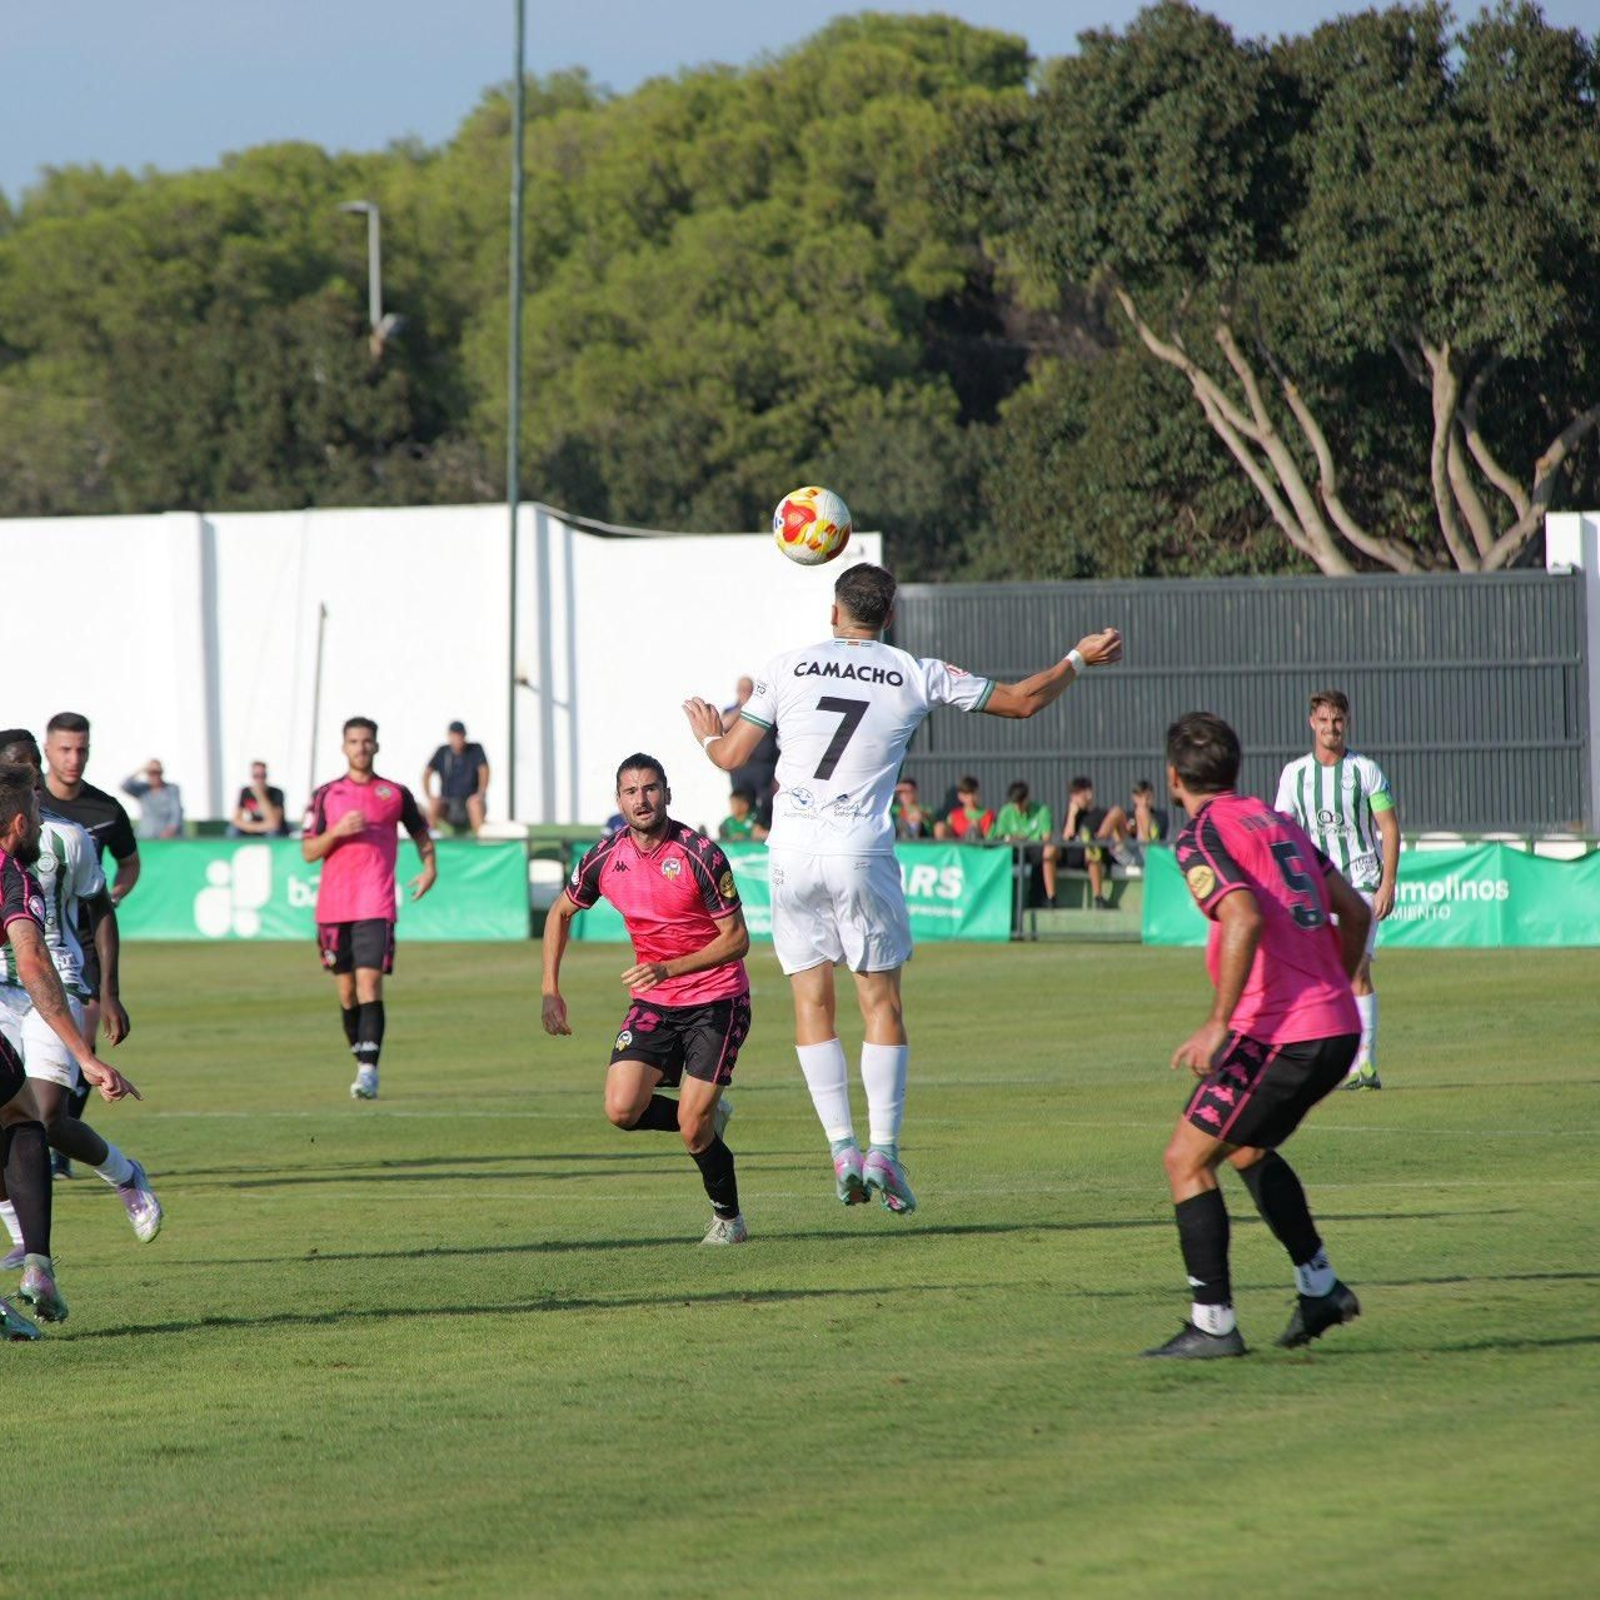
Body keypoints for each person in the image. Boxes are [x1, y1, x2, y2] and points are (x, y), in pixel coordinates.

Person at [684, 561, 1122, 1212]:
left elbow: (730, 758)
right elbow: (1025, 701)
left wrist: (706, 732)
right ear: (888, 618)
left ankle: (841, 1149)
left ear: (835, 613)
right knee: (879, 1002)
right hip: (859, 849)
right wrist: (1078, 659)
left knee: (812, 1000)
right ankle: (883, 1151)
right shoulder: (916, 671)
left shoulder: (786, 667)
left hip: (792, 852)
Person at [1143, 712, 1367, 1360]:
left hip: (1279, 1034)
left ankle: (1212, 1324)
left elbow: (1241, 917)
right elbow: (1351, 909)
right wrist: (1337, 977)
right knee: (1243, 1148)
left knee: (1185, 1161)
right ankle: (1320, 1287)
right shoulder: (1280, 821)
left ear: (1173, 777)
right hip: (1334, 1027)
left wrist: (1218, 1023)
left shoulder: (1201, 834)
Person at [542, 754, 751, 1245]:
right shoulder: (604, 856)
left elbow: (737, 940)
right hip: (655, 1001)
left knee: (693, 1131)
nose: (642, 799)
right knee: (621, 1110)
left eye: (651, 789)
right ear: (619, 800)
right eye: (632, 792)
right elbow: (560, 912)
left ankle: (730, 1220)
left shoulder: (701, 853)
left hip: (716, 1000)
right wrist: (550, 989)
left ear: (667, 794)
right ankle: (701, 1114)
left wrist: (668, 967)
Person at [0, 732, 161, 1269]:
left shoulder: (68, 838)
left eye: (31, 769)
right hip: (2, 991)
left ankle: (123, 1173)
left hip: (58, 978)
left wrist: (109, 990)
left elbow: (98, 910)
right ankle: (27, 1241)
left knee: (46, 1115)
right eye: (17, 772)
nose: (32, 781)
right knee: (8, 1116)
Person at [303, 717, 437, 1101]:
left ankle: (368, 1071)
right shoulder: (326, 795)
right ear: (344, 747)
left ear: (376, 746)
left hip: (375, 904)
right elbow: (309, 851)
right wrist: (337, 832)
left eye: (367, 741)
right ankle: (361, 1056)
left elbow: (421, 834)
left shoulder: (394, 793)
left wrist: (430, 868)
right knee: (346, 992)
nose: (361, 747)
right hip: (332, 907)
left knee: (368, 984)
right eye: (354, 741)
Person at [1273, 689, 1400, 1090]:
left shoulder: (1365, 771)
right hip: (1315, 887)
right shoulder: (1295, 775)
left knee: (1357, 968)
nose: (1331, 728)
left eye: (1338, 721)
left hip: (1360, 880)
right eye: (1324, 721)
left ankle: (1366, 1064)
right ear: (1313, 723)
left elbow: (1389, 828)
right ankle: (1326, 1057)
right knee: (1320, 975)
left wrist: (1388, 883)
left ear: (1347, 722)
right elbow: (1281, 832)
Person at [42, 711, 140, 1169]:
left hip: (82, 941)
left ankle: (59, 1136)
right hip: (28, 940)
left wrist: (115, 894)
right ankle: (48, 1131)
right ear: (47, 750)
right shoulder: (23, 803)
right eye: (65, 748)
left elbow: (130, 862)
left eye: (81, 749)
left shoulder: (106, 811)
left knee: (81, 1040)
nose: (73, 758)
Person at [722, 677, 780, 829]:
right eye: (742, 690)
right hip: (740, 768)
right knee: (742, 803)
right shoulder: (732, 711)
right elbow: (723, 724)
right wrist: (744, 707)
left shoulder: (765, 709)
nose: (745, 693)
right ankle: (742, 833)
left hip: (764, 768)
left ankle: (764, 830)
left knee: (767, 802)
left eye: (748, 690)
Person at [995, 780, 1057, 904]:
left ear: (1027, 798)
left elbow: (1046, 837)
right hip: (1014, 849)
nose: (1017, 807)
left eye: (1020, 803)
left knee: (1044, 854)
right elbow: (1000, 836)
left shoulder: (1042, 811)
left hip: (1034, 848)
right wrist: (1014, 839)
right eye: (1014, 803)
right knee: (1001, 856)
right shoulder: (1006, 812)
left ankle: (1043, 898)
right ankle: (1001, 900)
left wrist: (1023, 838)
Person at [422, 721, 490, 835]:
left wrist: (481, 793)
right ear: (449, 736)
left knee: (475, 804)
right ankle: (431, 839)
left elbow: (484, 770)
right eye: (454, 736)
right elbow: (427, 773)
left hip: (469, 803)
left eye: (460, 736)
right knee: (434, 804)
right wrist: (429, 795)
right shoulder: (442, 751)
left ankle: (480, 840)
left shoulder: (475, 749)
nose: (458, 739)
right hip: (448, 805)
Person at [1062, 776, 1116, 909]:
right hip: (1074, 855)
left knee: (1092, 853)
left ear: (1088, 794)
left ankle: (1098, 897)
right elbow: (1067, 838)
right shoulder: (1073, 815)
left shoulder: (1101, 814)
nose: (1073, 799)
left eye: (1077, 794)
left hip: (1094, 856)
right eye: (1072, 795)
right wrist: (1072, 815)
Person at [121, 760, 184, 839]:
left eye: (158, 772)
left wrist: (170, 830)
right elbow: (125, 785)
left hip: (166, 838)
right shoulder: (142, 789)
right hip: (146, 836)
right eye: (151, 773)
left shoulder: (172, 789)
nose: (155, 776)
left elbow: (176, 812)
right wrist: (141, 770)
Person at [229, 761, 289, 837]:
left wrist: (260, 796)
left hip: (271, 829)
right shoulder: (246, 792)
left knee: (273, 833)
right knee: (233, 830)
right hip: (258, 826)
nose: (259, 780)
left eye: (262, 776)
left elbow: (274, 822)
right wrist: (254, 828)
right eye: (256, 776)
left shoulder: (277, 793)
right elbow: (236, 819)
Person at [938, 776, 995, 843]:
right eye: (966, 794)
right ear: (960, 796)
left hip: (979, 850)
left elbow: (990, 839)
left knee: (974, 825)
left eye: (973, 793)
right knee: (939, 827)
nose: (970, 798)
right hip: (957, 850)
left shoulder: (989, 815)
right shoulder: (953, 816)